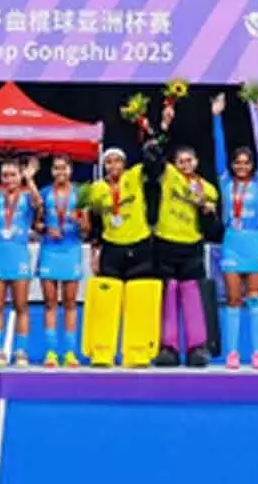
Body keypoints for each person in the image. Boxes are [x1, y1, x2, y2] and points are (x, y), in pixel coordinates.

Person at [81, 103, 174, 367]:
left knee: (140, 300)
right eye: (108, 162)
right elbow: (94, 224)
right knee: (106, 302)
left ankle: (137, 352)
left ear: (125, 163)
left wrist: (162, 127)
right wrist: (95, 251)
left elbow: (154, 157)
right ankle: (102, 352)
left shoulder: (135, 177)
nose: (113, 166)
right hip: (111, 249)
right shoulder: (96, 189)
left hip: (140, 246)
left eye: (117, 161)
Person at [151, 130, 219, 368]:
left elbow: (211, 219)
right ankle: (168, 347)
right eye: (181, 161)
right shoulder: (169, 175)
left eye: (189, 160)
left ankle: (196, 348)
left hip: (192, 245)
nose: (185, 164)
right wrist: (162, 129)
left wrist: (207, 209)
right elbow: (155, 156)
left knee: (192, 296)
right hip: (166, 242)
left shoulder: (208, 188)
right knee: (168, 295)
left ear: (196, 162)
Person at [211, 93, 258, 370]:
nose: (242, 166)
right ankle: (232, 353)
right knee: (233, 300)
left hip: (254, 242)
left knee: (255, 300)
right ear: (232, 165)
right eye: (238, 162)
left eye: (247, 162)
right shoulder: (224, 181)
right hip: (232, 243)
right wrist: (216, 117)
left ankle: (257, 353)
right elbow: (219, 149)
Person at [0, 158, 41, 367]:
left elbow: (38, 203)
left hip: (19, 255)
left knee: (21, 306)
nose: (9, 179)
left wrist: (30, 180)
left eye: (13, 175)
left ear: (20, 177)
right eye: (5, 175)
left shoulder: (26, 198)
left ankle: (21, 352)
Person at [37, 155, 87, 368]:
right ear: (52, 171)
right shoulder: (44, 193)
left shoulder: (80, 194)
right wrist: (46, 229)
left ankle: (70, 353)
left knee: (70, 303)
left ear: (70, 170)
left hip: (71, 250)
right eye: (56, 168)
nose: (60, 172)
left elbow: (87, 229)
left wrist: (80, 222)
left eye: (63, 168)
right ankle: (50, 352)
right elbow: (36, 223)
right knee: (50, 303)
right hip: (50, 251)